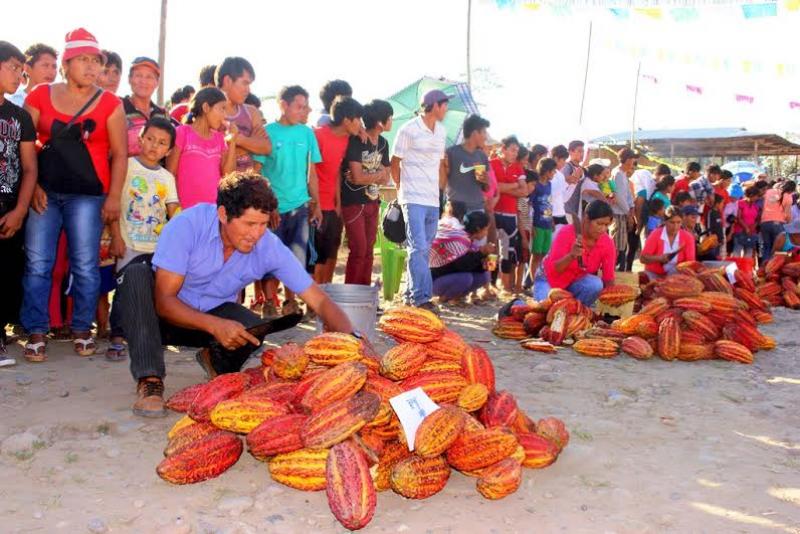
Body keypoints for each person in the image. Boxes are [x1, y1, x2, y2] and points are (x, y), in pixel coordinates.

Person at [116, 172, 354, 417]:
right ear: (222, 214)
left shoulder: (267, 246)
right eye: (249, 224)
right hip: (159, 319)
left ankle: (214, 360)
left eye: (262, 224)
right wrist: (215, 325)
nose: (256, 234)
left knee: (255, 328)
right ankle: (150, 381)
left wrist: (354, 344)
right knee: (135, 275)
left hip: (208, 324)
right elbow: (164, 302)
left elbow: (321, 301)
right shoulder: (187, 226)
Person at [22, 28, 126, 362]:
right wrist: (33, 185)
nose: (92, 66)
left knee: (84, 264)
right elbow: (25, 145)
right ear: (66, 63)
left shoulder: (110, 103)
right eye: (83, 59)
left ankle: (83, 328)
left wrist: (113, 198)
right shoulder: (39, 95)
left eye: (96, 60)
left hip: (89, 194)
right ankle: (36, 331)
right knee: (38, 262)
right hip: (45, 191)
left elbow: (120, 154)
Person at [107, 117, 180, 362]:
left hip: (158, 248)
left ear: (169, 150)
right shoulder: (125, 166)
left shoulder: (167, 178)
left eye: (161, 143)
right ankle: (117, 336)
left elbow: (174, 212)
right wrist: (116, 236)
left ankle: (149, 336)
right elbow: (113, 204)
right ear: (140, 139)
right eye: (149, 139)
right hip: (128, 244)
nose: (153, 146)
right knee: (123, 291)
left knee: (154, 292)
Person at [253, 85, 322, 317]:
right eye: (299, 106)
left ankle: (291, 302)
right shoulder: (266, 132)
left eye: (305, 107)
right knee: (269, 257)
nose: (303, 111)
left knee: (296, 258)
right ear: (283, 105)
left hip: (300, 206)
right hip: (272, 208)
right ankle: (269, 301)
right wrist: (267, 204)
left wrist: (317, 203)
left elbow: (311, 172)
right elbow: (257, 171)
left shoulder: (307, 134)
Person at [391, 89, 448, 311]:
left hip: (433, 198)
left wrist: (441, 193)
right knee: (418, 247)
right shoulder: (408, 129)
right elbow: (395, 162)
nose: (446, 109)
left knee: (424, 249)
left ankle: (409, 295)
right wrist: (400, 190)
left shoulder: (441, 131)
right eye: (444, 105)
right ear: (434, 105)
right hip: (412, 197)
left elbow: (440, 164)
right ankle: (421, 298)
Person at [0, 42, 37, 365]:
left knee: (7, 273)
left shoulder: (19, 117)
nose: (20, 75)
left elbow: (29, 168)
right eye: (13, 67)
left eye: (22, 70)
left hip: (9, 207)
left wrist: (20, 210)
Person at [341, 99, 393, 285]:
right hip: (353, 202)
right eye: (390, 118)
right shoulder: (356, 141)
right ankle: (351, 295)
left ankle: (364, 295)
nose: (391, 121)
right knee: (359, 249)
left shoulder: (384, 144)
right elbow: (356, 177)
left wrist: (367, 175)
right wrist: (375, 174)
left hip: (373, 201)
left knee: (369, 250)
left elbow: (386, 177)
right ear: (380, 122)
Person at [313, 96, 363, 285]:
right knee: (315, 257)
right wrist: (314, 202)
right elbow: (308, 171)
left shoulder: (347, 139)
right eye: (358, 119)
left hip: (332, 206)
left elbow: (335, 173)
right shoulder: (318, 135)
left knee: (327, 253)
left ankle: (324, 294)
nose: (360, 124)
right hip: (315, 204)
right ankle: (313, 300)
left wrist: (338, 204)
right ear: (346, 120)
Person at [533, 200, 616, 307]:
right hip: (548, 279)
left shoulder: (607, 243)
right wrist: (571, 256)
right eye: (599, 223)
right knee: (544, 310)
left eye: (606, 225)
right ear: (586, 219)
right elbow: (555, 269)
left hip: (575, 282)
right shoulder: (566, 232)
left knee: (596, 284)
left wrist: (613, 300)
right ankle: (516, 304)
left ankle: (575, 309)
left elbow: (608, 278)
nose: (603, 229)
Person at [167, 87, 236, 208]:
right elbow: (170, 173)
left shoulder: (219, 139)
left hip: (213, 210)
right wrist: (174, 207)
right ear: (206, 107)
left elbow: (228, 175)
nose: (225, 115)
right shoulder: (182, 133)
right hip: (186, 210)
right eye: (222, 108)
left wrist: (233, 141)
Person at [215, 57, 271, 172]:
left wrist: (238, 140)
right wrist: (251, 143)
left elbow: (266, 147)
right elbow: (212, 152)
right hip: (216, 186)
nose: (248, 90)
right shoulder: (210, 112)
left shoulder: (252, 112)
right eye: (245, 83)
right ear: (227, 81)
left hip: (245, 186)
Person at [430, 208, 492, 304]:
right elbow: (461, 266)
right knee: (466, 278)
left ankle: (455, 297)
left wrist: (485, 261)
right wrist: (481, 253)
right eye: (486, 229)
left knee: (484, 275)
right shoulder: (459, 241)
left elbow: (471, 266)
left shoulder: (469, 241)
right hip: (435, 280)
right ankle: (444, 298)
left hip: (448, 277)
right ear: (478, 229)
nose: (487, 233)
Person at [490, 135, 527, 295]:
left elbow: (524, 191)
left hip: (511, 215)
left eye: (517, 151)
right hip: (493, 212)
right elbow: (491, 187)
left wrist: (502, 187)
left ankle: (504, 285)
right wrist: (513, 186)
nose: (515, 153)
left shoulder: (518, 167)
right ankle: (491, 283)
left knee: (507, 251)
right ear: (503, 149)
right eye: (512, 150)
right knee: (491, 251)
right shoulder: (491, 164)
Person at [444, 114, 491, 215]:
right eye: (484, 132)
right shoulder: (451, 153)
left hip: (477, 210)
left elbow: (487, 188)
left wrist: (484, 179)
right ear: (475, 133)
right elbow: (442, 181)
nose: (486, 136)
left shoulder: (482, 156)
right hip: (455, 210)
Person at [640, 205, 697, 279]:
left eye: (678, 222)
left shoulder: (688, 237)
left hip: (677, 275)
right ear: (665, 221)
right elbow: (643, 258)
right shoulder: (656, 234)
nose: (675, 226)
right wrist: (659, 258)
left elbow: (690, 263)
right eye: (672, 222)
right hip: (654, 273)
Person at [528, 157, 557, 285]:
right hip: (537, 224)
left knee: (545, 255)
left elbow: (548, 203)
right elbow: (529, 205)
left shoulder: (549, 185)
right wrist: (531, 225)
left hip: (547, 224)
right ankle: (534, 283)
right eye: (553, 171)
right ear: (546, 171)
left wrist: (552, 220)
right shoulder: (536, 186)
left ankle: (541, 281)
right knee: (536, 255)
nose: (554, 173)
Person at [610, 148, 637, 271]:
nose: (633, 162)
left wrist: (631, 208)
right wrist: (628, 213)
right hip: (618, 214)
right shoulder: (618, 174)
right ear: (626, 160)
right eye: (632, 159)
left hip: (623, 213)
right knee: (618, 246)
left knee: (622, 245)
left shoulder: (623, 174)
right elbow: (619, 197)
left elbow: (627, 195)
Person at [760, 180, 796, 262]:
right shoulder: (788, 197)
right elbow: (787, 215)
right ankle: (772, 269)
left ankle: (763, 268)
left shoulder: (769, 192)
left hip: (764, 222)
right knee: (777, 249)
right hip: (778, 223)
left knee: (767, 247)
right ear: (792, 190)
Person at [549, 144, 577, 232]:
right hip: (551, 215)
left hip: (561, 214)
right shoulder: (547, 173)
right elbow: (549, 196)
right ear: (556, 158)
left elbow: (564, 198)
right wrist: (567, 182)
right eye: (563, 160)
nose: (565, 163)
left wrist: (573, 184)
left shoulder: (560, 175)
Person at [731, 186, 760, 258]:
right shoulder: (740, 203)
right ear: (751, 195)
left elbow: (757, 219)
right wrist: (746, 227)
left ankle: (745, 268)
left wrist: (754, 226)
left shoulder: (756, 206)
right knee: (737, 251)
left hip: (751, 232)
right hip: (740, 231)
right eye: (756, 196)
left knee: (749, 252)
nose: (757, 198)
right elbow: (739, 217)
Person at [698, 194, 724, 261]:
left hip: (718, 242)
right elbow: (709, 228)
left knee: (717, 259)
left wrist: (721, 238)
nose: (722, 205)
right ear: (717, 204)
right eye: (722, 203)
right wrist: (712, 240)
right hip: (712, 243)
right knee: (711, 259)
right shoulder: (711, 213)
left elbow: (719, 228)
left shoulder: (718, 213)